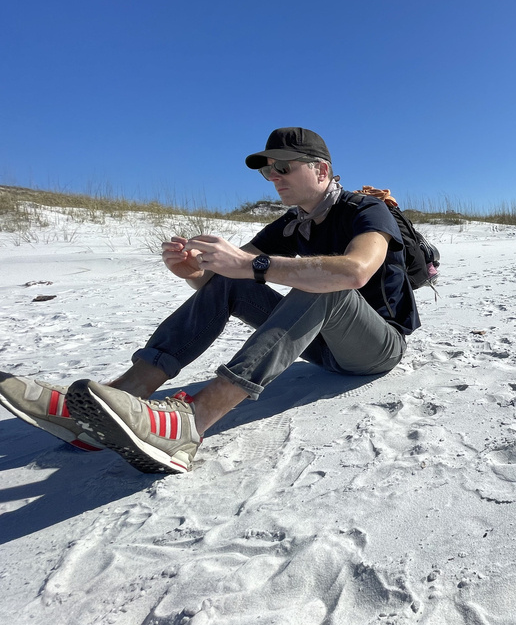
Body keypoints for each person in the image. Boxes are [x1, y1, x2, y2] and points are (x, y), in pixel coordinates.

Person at [0, 127, 419, 474]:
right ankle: (127, 393)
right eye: (268, 171)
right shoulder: (290, 226)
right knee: (227, 279)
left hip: (375, 348)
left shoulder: (365, 210)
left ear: (321, 169)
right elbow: (233, 283)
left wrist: (250, 265)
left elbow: (356, 271)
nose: (274, 177)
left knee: (327, 286)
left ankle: (193, 423)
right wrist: (196, 274)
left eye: (283, 167)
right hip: (316, 344)